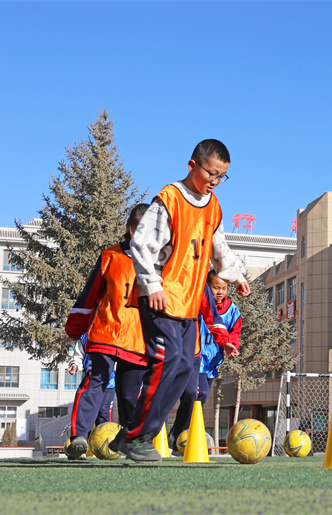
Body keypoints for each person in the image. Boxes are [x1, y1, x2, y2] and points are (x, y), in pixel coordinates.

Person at [113, 139, 250, 462]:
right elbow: (142, 245)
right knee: (169, 359)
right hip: (161, 297)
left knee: (186, 366)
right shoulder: (170, 199)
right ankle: (136, 435)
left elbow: (218, 247)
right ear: (192, 166)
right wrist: (152, 285)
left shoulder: (213, 206)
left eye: (222, 176)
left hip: (188, 302)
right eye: (211, 173)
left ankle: (133, 433)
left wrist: (236, 275)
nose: (216, 181)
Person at [63, 204, 151, 460]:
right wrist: (77, 325)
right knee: (95, 382)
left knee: (129, 394)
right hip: (105, 332)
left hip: (138, 340)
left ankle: (131, 442)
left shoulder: (161, 262)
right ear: (130, 228)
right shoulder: (110, 256)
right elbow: (90, 294)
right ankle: (78, 438)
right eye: (138, 229)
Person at [169, 270, 242, 450]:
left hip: (212, 362)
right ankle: (180, 435)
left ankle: (178, 435)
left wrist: (232, 345)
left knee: (200, 396)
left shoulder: (232, 310)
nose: (220, 292)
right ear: (207, 287)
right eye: (216, 288)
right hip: (196, 357)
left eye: (224, 288)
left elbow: (235, 332)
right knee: (196, 393)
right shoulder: (199, 304)